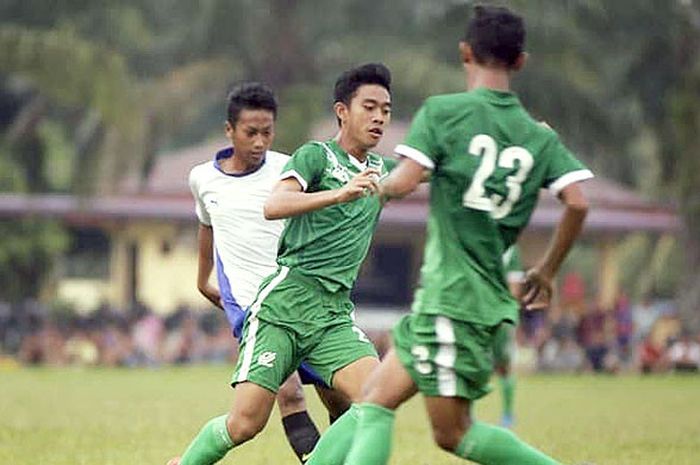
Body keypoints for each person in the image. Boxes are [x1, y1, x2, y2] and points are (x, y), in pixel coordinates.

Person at [311, 5, 594, 465]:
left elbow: (402, 183)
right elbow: (578, 202)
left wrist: (363, 187)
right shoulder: (537, 137)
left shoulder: (444, 113)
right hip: (475, 300)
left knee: (447, 431)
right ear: (520, 61)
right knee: (374, 399)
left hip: (453, 297)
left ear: (466, 53)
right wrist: (546, 270)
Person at [169, 63, 394, 465]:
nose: (379, 117)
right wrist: (339, 194)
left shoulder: (381, 170)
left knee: (377, 399)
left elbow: (432, 168)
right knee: (245, 423)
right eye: (370, 107)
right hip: (282, 306)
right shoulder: (315, 156)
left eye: (386, 110)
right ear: (342, 111)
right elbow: (275, 205)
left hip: (332, 314)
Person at [494, 245, 525, 427]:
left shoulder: (510, 250)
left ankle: (507, 414)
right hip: (473, 313)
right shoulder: (473, 236)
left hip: (499, 316)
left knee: (503, 366)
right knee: (470, 364)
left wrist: (506, 315)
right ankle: (466, 414)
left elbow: (514, 287)